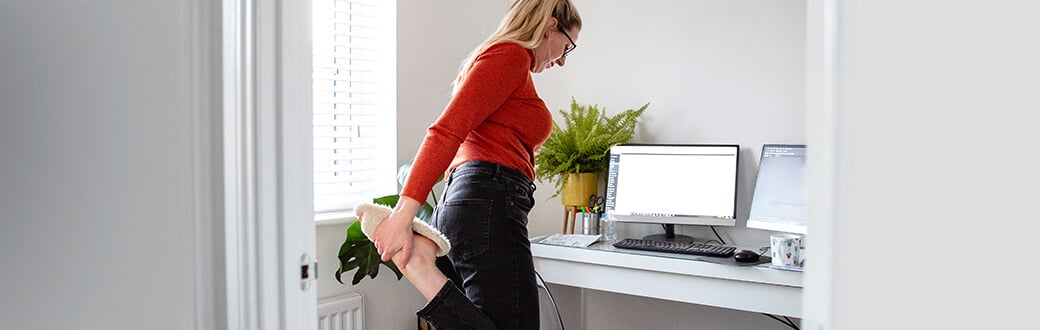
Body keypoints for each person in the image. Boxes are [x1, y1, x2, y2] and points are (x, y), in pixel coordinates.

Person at [368, 0, 582, 328]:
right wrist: (402, 214)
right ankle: (421, 266)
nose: (563, 61)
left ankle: (423, 267)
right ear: (551, 25)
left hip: (477, 202)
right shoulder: (509, 55)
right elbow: (446, 130)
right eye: (567, 47)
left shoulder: (508, 63)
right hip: (490, 202)